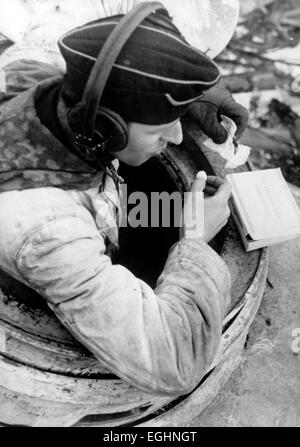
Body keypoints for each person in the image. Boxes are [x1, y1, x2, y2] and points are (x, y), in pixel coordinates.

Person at [0, 4, 248, 396]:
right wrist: (196, 240)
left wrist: (185, 91)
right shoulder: (49, 233)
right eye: (161, 127)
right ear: (106, 128)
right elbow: (175, 362)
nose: (179, 138)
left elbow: (93, 23)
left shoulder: (37, 73)